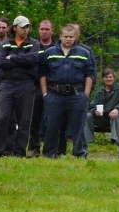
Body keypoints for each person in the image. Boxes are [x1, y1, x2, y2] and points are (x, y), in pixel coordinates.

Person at [39, 24, 95, 159]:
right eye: (65, 36)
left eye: (71, 37)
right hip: (54, 94)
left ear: (75, 37)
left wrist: (85, 95)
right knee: (52, 125)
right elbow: (42, 74)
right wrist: (45, 94)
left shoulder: (84, 53)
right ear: (60, 36)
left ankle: (80, 154)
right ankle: (50, 154)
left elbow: (90, 74)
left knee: (78, 126)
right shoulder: (49, 53)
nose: (68, 39)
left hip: (76, 94)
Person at [0, 15, 40, 158]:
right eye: (23, 27)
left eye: (27, 27)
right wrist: (23, 62)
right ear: (15, 28)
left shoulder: (33, 43)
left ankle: (19, 151)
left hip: (26, 84)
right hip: (7, 84)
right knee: (2, 117)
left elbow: (33, 59)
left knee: (24, 120)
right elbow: (2, 63)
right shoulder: (5, 44)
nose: (26, 29)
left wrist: (13, 58)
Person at [27, 19, 57, 157]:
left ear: (52, 31)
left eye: (47, 29)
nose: (44, 32)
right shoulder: (32, 46)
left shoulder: (57, 47)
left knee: (54, 119)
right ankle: (34, 147)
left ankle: (51, 149)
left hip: (53, 86)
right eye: (42, 29)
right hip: (34, 86)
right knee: (34, 118)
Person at [85, 68, 119, 145]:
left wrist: (117, 109)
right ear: (102, 79)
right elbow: (92, 106)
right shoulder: (99, 92)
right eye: (106, 77)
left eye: (110, 77)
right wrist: (95, 111)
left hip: (116, 117)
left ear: (114, 78)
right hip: (102, 118)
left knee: (116, 116)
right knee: (87, 116)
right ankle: (88, 141)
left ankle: (116, 140)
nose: (108, 79)